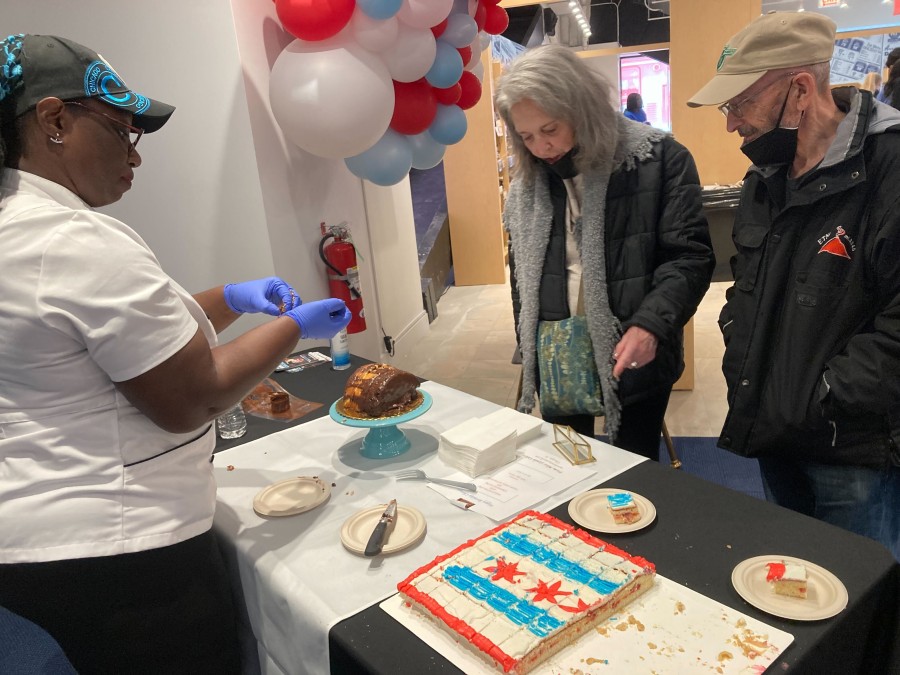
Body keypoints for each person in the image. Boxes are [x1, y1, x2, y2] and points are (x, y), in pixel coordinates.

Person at [0, 34, 352, 672]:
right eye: (122, 128)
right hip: (125, 563)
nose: (136, 155)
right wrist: (296, 327)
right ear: (54, 119)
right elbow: (192, 396)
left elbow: (128, 335)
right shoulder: (71, 239)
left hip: (35, 552)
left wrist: (230, 298)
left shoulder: (16, 229)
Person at [687, 12, 900, 559]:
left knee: (855, 596)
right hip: (771, 425)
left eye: (739, 104)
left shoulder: (889, 169)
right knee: (788, 580)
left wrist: (825, 398)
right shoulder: (765, 177)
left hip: (849, 447)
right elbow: (747, 285)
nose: (731, 124)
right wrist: (738, 341)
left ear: (800, 91)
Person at [495, 45, 714, 461]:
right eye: (526, 136)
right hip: (558, 354)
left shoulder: (658, 159)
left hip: (635, 350)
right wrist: (530, 344)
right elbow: (522, 275)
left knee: (633, 473)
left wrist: (651, 326)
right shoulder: (529, 185)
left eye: (550, 129)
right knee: (569, 467)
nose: (541, 147)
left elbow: (689, 258)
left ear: (584, 109)